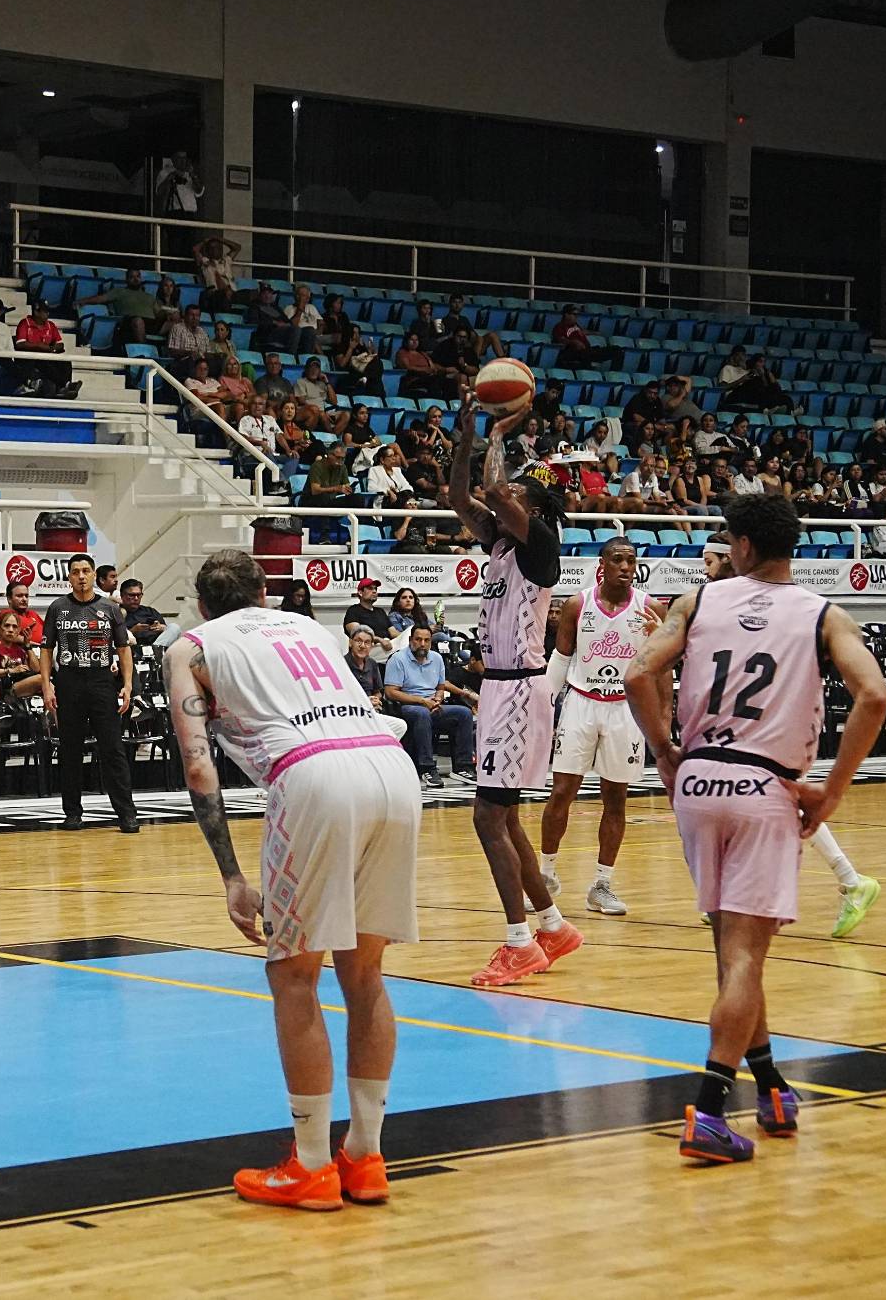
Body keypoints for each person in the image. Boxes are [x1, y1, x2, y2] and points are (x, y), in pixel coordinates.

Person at [624, 494, 886, 1164]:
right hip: (764, 785)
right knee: (745, 956)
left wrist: (662, 749)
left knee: (731, 951)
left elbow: (637, 674)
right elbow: (874, 695)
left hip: (697, 782)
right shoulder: (823, 613)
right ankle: (709, 1112)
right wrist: (830, 790)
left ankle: (770, 1085)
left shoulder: (699, 601)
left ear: (740, 545)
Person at [167, 549, 420, 1210]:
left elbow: (200, 771)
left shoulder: (191, 645)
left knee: (293, 975)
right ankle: (365, 1158)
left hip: (313, 776)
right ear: (265, 594)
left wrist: (231, 877)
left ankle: (310, 1165)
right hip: (391, 766)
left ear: (202, 605)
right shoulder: (310, 629)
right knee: (365, 975)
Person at [448, 402, 583, 985]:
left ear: (535, 510)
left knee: (487, 818)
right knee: (506, 818)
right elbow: (461, 497)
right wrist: (467, 437)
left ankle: (518, 942)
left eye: (517, 498)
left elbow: (495, 489)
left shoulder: (539, 544)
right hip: (501, 692)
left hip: (520, 691)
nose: (503, 502)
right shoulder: (500, 544)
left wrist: (500, 435)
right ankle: (551, 926)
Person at [538, 537, 663, 917]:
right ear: (602, 564)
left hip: (625, 709)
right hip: (581, 702)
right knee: (562, 791)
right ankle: (545, 877)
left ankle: (602, 884)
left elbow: (662, 666)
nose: (625, 567)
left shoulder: (651, 608)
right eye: (617, 560)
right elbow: (560, 658)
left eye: (631, 560)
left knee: (616, 797)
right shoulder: (578, 604)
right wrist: (543, 705)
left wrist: (663, 720)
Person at [41, 554, 138, 833]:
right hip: (69, 681)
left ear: (94, 574)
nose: (81, 576)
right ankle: (72, 813)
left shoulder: (109, 608)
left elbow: (123, 648)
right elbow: (46, 650)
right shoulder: (57, 608)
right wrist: (47, 685)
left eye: (86, 571)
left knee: (113, 749)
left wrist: (128, 684)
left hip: (101, 682)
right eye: (75, 572)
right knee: (70, 750)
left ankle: (127, 813)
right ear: (68, 577)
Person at [382, 623, 476, 785]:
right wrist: (422, 701)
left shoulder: (437, 658)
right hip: (408, 706)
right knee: (422, 713)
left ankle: (462, 767)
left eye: (426, 640)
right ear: (411, 640)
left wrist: (438, 699)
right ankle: (427, 768)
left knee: (464, 714)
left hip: (432, 704)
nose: (422, 644)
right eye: (418, 639)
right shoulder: (398, 659)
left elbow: (440, 687)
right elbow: (391, 692)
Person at [0, 611, 46, 700]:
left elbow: (36, 669)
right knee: (41, 679)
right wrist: (11, 671)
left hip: (20, 684)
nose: (10, 630)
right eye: (7, 626)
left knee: (45, 679)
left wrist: (28, 645)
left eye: (14, 627)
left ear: (18, 631)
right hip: (2, 687)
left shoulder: (20, 650)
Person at [118, 578, 168, 647]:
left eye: (139, 595)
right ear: (122, 595)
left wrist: (160, 627)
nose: (136, 598)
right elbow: (115, 638)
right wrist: (133, 631)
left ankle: (154, 650)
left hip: (157, 644)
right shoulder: (116, 613)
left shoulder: (150, 611)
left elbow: (166, 630)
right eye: (131, 595)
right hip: (133, 648)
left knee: (174, 627)